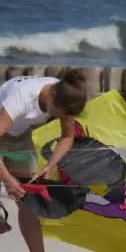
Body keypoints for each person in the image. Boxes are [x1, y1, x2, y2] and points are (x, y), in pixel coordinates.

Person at [0, 69, 88, 252]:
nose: (57, 117)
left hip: (19, 135)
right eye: (57, 113)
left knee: (28, 199)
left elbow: (67, 136)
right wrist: (8, 180)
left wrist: (51, 164)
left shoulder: (65, 95)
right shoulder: (21, 97)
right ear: (52, 95)